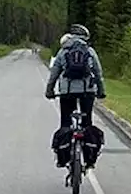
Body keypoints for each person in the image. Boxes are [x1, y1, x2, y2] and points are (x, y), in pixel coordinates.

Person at [45, 23, 106, 168]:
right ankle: (89, 158)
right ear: (85, 37)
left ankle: (63, 158)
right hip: (87, 91)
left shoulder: (63, 51)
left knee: (66, 123)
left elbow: (54, 73)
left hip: (67, 92)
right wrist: (101, 91)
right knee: (87, 124)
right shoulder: (90, 51)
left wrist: (50, 90)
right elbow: (98, 73)